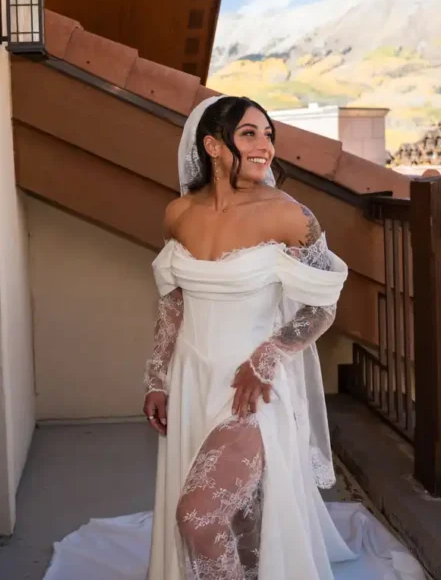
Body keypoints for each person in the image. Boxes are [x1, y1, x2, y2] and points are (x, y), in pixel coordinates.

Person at [142, 95, 357, 580]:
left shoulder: (290, 216)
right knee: (239, 522)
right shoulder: (178, 214)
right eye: (249, 135)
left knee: (198, 518)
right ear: (213, 146)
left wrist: (270, 353)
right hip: (193, 380)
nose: (265, 147)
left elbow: (323, 303)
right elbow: (173, 301)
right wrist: (157, 377)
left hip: (251, 390)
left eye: (268, 135)